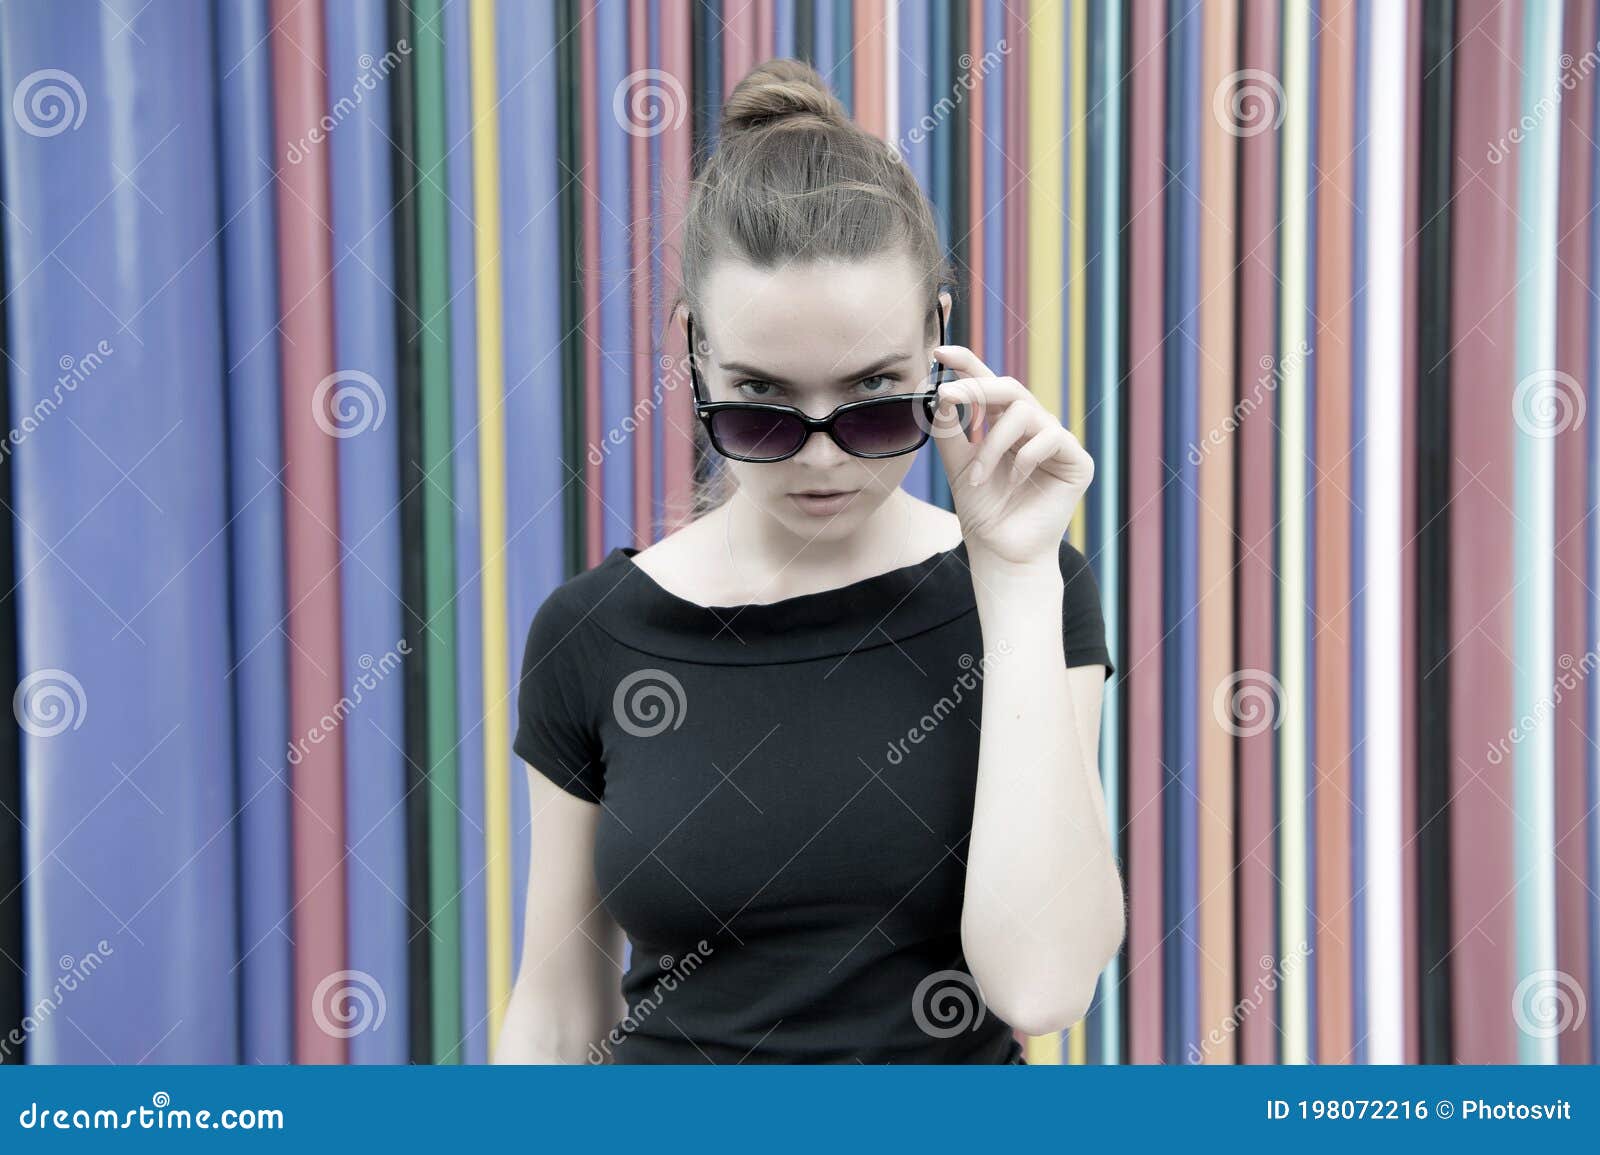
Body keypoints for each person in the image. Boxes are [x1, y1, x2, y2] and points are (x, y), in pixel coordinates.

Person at [494, 58, 1122, 1065]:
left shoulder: (1030, 587)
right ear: (695, 352)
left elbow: (1042, 985)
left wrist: (1009, 576)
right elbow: (559, 1005)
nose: (824, 455)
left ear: (939, 342)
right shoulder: (593, 633)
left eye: (875, 398)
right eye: (762, 404)